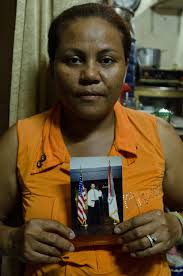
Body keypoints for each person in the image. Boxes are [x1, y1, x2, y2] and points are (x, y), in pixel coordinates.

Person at [0, 2, 183, 275]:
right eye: (73, 60)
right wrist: (11, 240)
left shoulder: (160, 136)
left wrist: (176, 226)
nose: (90, 75)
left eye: (106, 60)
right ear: (52, 68)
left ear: (124, 67)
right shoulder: (20, 140)